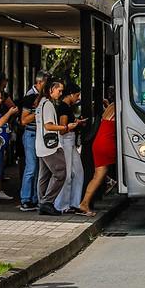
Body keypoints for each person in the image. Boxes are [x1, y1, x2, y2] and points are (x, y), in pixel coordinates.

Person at [35, 79, 80, 216]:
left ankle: (42, 202)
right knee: (61, 172)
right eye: (59, 90)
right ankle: (47, 202)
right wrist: (65, 127)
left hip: (41, 144)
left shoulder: (40, 103)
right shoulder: (48, 105)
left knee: (44, 176)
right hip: (50, 145)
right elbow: (48, 126)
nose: (61, 93)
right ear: (51, 90)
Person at [18, 70, 50, 211]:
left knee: (38, 167)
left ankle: (35, 198)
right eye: (46, 83)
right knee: (31, 167)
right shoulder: (30, 96)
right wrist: (38, 111)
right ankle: (25, 198)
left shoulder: (43, 96)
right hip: (31, 133)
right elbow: (24, 120)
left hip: (38, 134)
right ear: (39, 82)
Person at [78, 102, 117, 217]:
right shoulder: (120, 106)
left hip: (101, 142)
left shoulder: (111, 106)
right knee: (99, 176)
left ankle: (109, 181)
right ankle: (84, 203)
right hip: (107, 143)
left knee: (98, 175)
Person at [54, 83, 87, 213]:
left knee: (78, 171)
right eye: (77, 95)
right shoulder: (64, 108)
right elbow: (63, 129)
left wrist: (76, 123)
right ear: (71, 94)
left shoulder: (66, 107)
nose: (78, 98)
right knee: (68, 174)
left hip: (70, 141)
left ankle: (74, 202)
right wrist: (72, 126)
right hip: (66, 141)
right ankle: (62, 205)